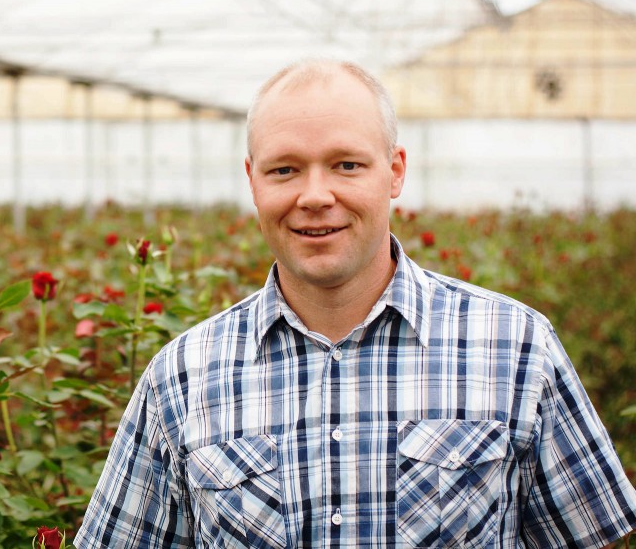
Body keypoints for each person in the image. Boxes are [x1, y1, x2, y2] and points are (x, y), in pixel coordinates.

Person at [74, 59, 636, 548]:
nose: (315, 196)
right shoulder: (181, 376)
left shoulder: (514, 348)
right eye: (284, 169)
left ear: (394, 172)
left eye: (347, 164)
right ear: (253, 181)